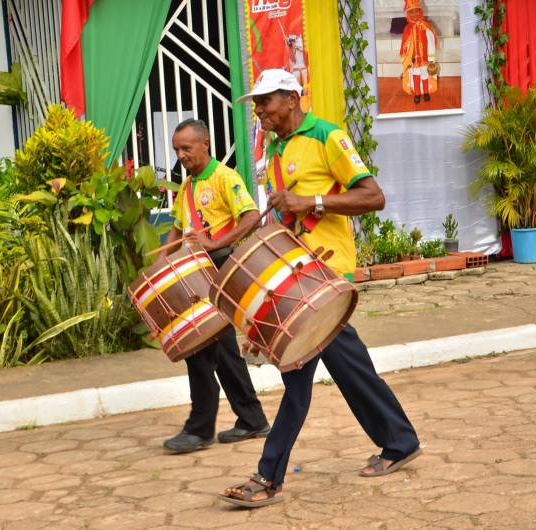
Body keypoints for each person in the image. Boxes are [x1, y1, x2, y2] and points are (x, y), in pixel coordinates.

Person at [219, 69, 421, 507]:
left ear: (291, 99)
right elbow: (286, 211)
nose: (259, 112)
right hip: (295, 275)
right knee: (346, 368)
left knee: (299, 377)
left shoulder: (328, 136)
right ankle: (400, 440)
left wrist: (311, 202)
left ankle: (267, 478)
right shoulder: (275, 147)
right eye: (256, 104)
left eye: (265, 102)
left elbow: (373, 197)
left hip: (326, 275)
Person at [157, 118, 270, 454]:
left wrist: (216, 242)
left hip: (220, 268)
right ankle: (247, 420)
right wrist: (165, 261)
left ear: (205, 144)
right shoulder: (188, 187)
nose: (181, 155)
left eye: (186, 148)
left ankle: (205, 428)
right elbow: (178, 229)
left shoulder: (225, 177)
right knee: (207, 348)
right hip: (196, 272)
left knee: (212, 346)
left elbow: (251, 216)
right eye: (177, 149)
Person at [400, 0, 438, 104]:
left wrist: (430, 59)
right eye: (411, 12)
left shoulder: (425, 27)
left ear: (420, 11)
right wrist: (407, 57)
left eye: (416, 11)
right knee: (415, 76)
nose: (414, 14)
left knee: (425, 75)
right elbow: (405, 45)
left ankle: (426, 92)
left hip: (425, 59)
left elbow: (430, 43)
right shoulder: (407, 29)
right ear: (407, 14)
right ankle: (417, 94)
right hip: (414, 60)